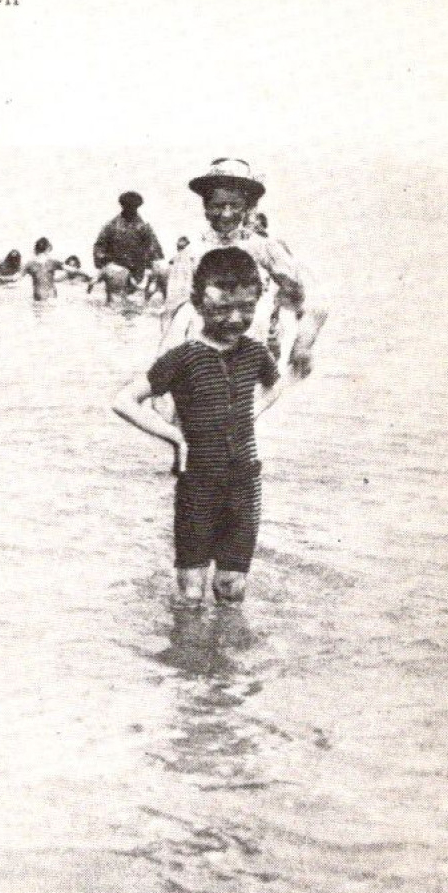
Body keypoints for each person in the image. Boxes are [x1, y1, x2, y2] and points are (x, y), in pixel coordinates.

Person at [111, 248, 302, 605]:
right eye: (221, 309)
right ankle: (188, 656)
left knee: (233, 587)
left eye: (246, 308)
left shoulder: (255, 352)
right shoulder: (183, 358)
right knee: (190, 592)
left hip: (244, 484)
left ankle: (228, 655)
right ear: (198, 304)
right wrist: (173, 435)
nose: (234, 319)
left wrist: (252, 412)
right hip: (197, 484)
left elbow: (275, 384)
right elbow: (123, 400)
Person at [163, 159, 325, 375]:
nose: (226, 214)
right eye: (218, 206)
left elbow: (311, 302)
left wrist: (302, 344)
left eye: (235, 205)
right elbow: (172, 315)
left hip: (255, 356)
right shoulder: (191, 255)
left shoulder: (266, 249)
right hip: (203, 359)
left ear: (247, 207)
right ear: (205, 208)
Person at [93, 191, 165, 286]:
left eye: (133, 206)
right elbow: (99, 247)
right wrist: (105, 263)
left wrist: (150, 265)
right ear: (123, 206)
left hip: (139, 271)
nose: (130, 209)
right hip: (116, 268)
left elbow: (154, 248)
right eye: (128, 206)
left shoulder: (144, 227)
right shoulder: (111, 226)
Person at [20, 238, 66, 302]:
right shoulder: (53, 262)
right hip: (52, 295)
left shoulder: (29, 264)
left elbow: (16, 278)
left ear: (35, 249)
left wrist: (1, 278)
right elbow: (71, 270)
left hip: (39, 296)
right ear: (48, 248)